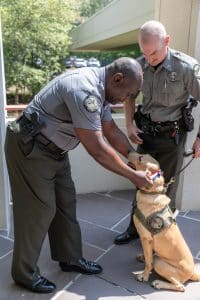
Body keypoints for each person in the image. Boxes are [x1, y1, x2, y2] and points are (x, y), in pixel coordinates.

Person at [5, 57, 153, 293]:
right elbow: (97, 148)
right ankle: (24, 273)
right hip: (30, 146)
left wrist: (134, 157)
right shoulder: (85, 90)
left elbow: (111, 130)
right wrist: (133, 176)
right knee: (39, 210)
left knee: (66, 202)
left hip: (55, 150)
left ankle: (70, 258)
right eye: (129, 94)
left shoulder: (103, 90)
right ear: (117, 79)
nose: (127, 100)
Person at [114, 20, 200, 245]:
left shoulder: (186, 67)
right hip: (146, 134)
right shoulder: (139, 65)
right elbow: (129, 96)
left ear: (167, 41)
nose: (149, 59)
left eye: (154, 53)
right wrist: (130, 124)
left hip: (172, 138)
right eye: (145, 53)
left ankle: (161, 236)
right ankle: (134, 228)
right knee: (140, 182)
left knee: (167, 188)